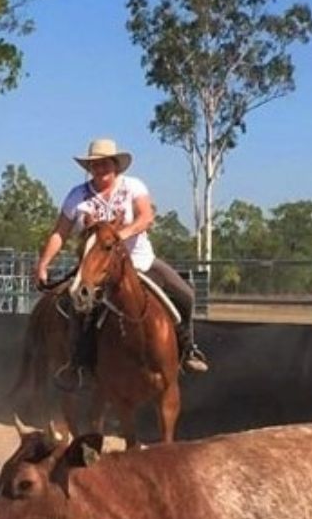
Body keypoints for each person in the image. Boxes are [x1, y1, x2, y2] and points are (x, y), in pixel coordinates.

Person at [34, 137, 208, 391]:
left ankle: (188, 349)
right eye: (95, 164)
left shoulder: (132, 186)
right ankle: (78, 364)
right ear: (89, 168)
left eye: (105, 164)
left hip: (140, 261)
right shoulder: (77, 196)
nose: (100, 169)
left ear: (115, 165)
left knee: (185, 295)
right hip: (95, 269)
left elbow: (146, 216)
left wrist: (118, 237)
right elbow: (60, 232)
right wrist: (43, 263)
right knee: (76, 308)